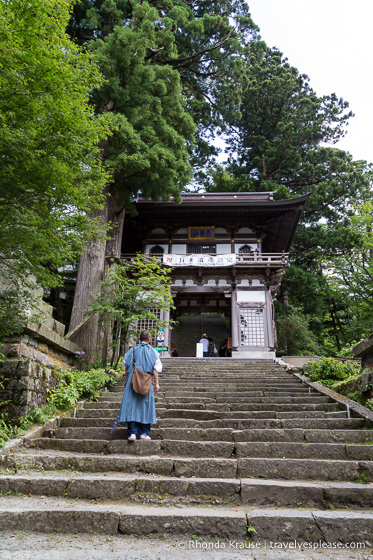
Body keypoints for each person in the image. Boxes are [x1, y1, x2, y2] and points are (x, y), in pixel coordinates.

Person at [110, 330, 161, 441]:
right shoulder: (153, 352)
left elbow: (125, 364)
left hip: (131, 382)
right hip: (146, 383)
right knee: (146, 406)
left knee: (131, 406)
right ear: (149, 339)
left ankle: (132, 433)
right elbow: (156, 369)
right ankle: (144, 433)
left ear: (139, 338)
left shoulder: (131, 351)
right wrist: (157, 383)